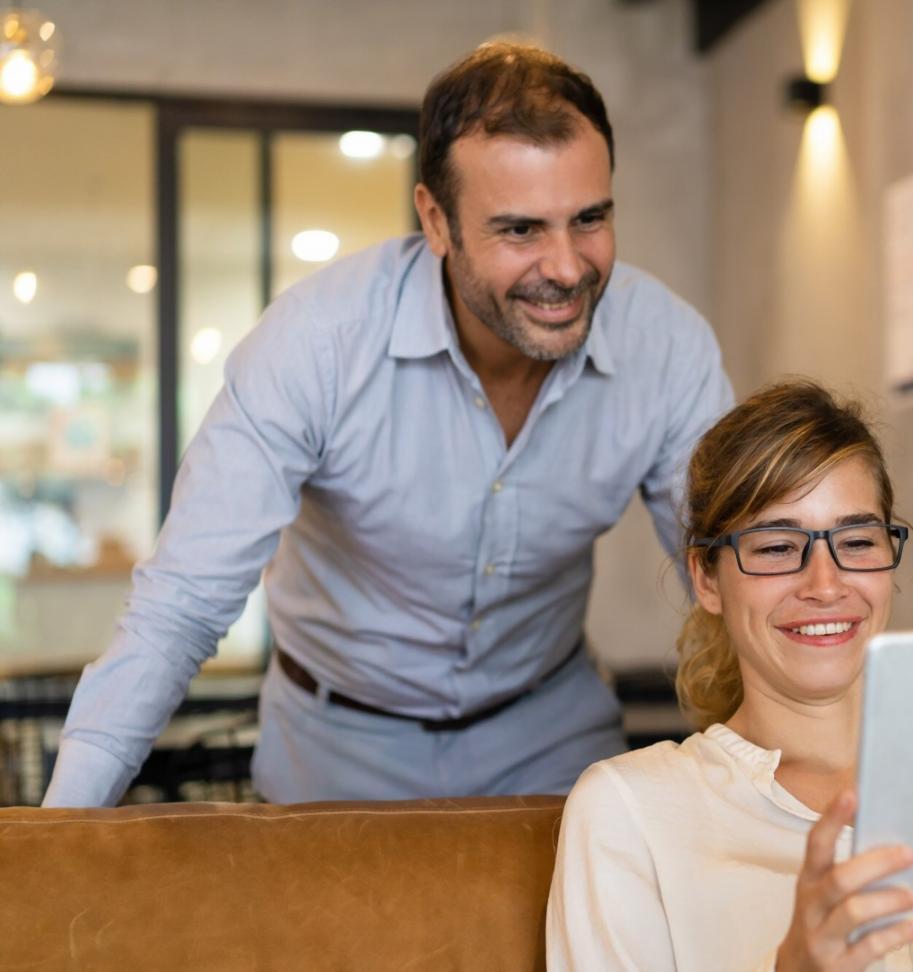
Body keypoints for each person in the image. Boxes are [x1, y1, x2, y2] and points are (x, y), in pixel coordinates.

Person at [43, 42, 733, 807]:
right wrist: (60, 836)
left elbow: (737, 579)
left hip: (548, 734)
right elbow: (181, 606)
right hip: (334, 746)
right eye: (520, 230)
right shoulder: (316, 344)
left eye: (590, 219)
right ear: (436, 221)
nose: (567, 268)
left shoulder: (666, 345)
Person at [547, 380, 913, 971]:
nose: (825, 585)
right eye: (777, 547)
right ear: (706, 578)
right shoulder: (629, 811)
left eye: (855, 541)